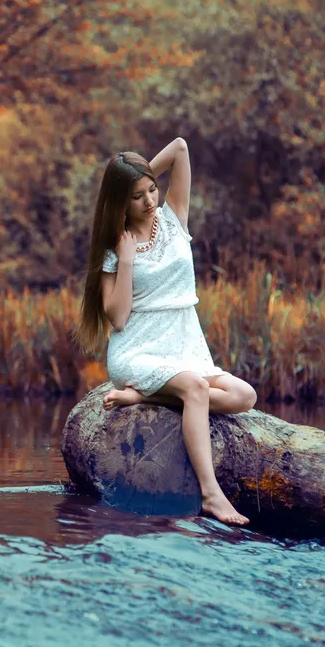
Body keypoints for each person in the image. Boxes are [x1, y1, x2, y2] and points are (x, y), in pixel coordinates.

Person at [76, 138, 254, 527]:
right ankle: (210, 494)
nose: (149, 200)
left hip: (183, 344)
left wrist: (136, 176)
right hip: (137, 349)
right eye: (136, 196)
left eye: (151, 189)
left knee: (245, 396)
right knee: (196, 389)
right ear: (120, 203)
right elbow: (118, 319)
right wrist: (126, 260)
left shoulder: (174, 217)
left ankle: (143, 397)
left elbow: (180, 148)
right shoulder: (114, 249)